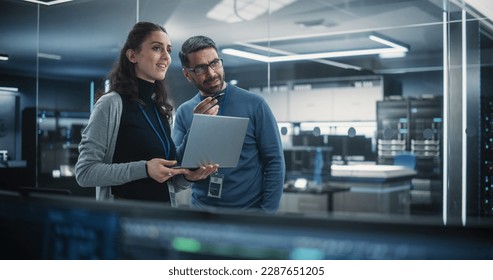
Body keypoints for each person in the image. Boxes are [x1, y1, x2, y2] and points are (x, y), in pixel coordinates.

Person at [75, 22, 217, 203]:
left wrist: (189, 176)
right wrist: (145, 168)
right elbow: (85, 172)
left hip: (160, 219)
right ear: (132, 55)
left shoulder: (159, 108)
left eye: (168, 50)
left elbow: (167, 178)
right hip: (125, 220)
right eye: (157, 48)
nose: (166, 57)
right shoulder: (111, 104)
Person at [172, 35, 285, 213]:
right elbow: (176, 164)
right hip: (202, 213)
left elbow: (275, 162)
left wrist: (267, 214)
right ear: (188, 74)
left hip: (248, 213)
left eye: (215, 63)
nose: (211, 73)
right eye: (201, 68)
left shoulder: (255, 105)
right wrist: (197, 127)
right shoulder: (185, 112)